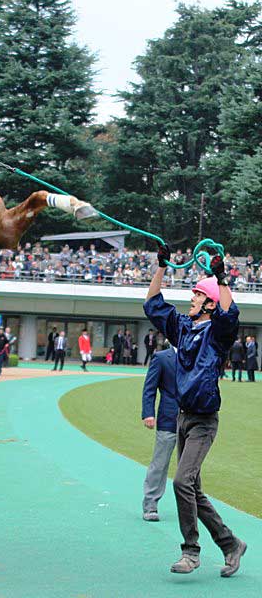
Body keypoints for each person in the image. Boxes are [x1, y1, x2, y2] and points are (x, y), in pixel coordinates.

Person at [144, 243, 246, 577]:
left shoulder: (217, 333)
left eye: (197, 295)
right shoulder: (183, 327)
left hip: (203, 421)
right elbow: (152, 304)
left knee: (181, 482)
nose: (191, 298)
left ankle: (191, 551)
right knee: (192, 488)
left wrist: (221, 277)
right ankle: (230, 544)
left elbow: (231, 313)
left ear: (210, 303)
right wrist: (161, 266)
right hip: (181, 418)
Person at [141, 346, 178, 522]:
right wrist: (148, 413)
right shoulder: (161, 358)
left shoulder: (196, 355)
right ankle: (150, 504)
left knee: (192, 468)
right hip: (169, 418)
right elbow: (150, 387)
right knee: (160, 463)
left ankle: (194, 509)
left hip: (195, 419)